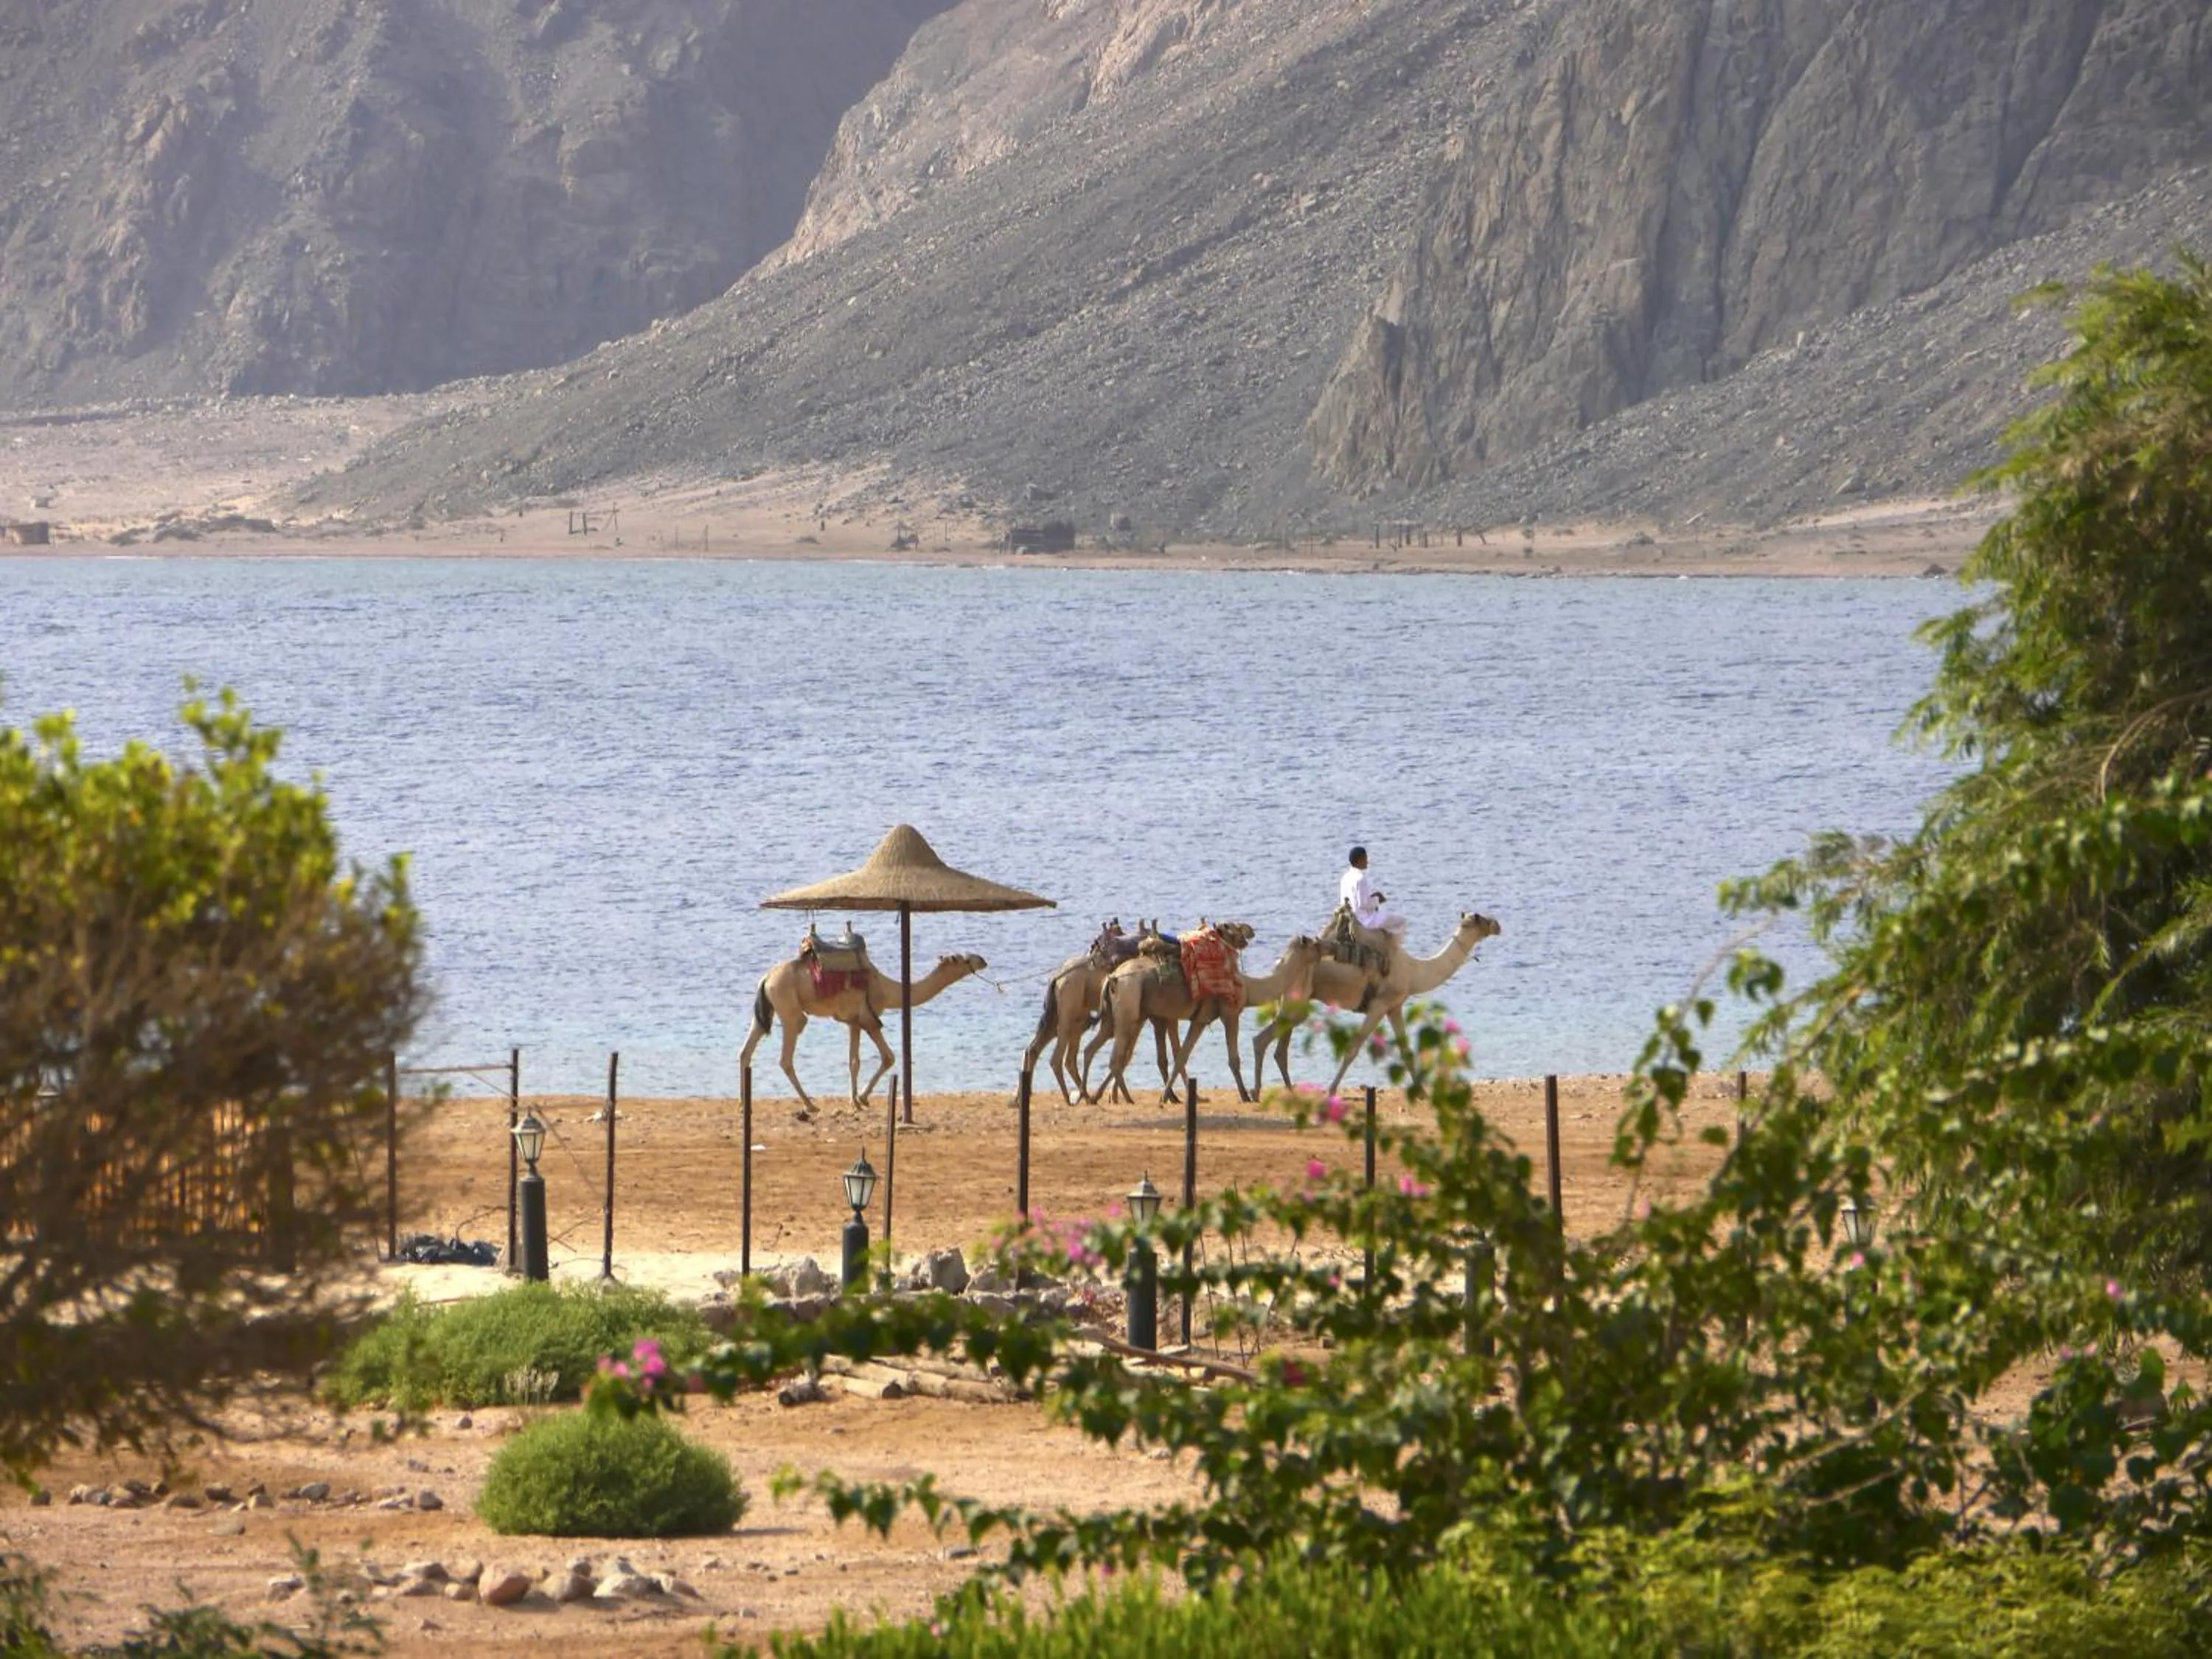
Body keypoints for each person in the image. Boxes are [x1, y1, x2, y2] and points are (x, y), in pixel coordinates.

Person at [1338, 846, 1406, 942]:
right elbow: (1363, 904)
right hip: (1364, 921)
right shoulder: (1360, 878)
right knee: (1401, 921)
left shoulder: (1345, 878)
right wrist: (1378, 900)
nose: (1367, 862)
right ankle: (1394, 949)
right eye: (1365, 859)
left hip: (1349, 918)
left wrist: (1373, 897)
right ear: (1359, 860)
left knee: (1386, 919)